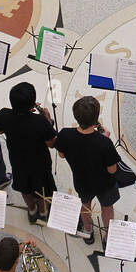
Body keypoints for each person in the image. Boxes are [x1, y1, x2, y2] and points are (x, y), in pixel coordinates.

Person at [54, 96, 121, 245]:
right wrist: (105, 138)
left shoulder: (65, 134)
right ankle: (108, 235)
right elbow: (112, 169)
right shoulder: (104, 143)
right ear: (96, 119)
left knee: (85, 205)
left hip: (82, 180)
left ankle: (88, 229)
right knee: (107, 208)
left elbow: (62, 154)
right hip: (105, 184)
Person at [0, 82, 57, 224]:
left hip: (18, 161)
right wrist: (48, 120)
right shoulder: (40, 121)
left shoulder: (4, 115)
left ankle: (32, 210)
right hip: (39, 163)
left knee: (24, 187)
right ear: (32, 104)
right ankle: (43, 211)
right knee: (43, 189)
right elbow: (51, 144)